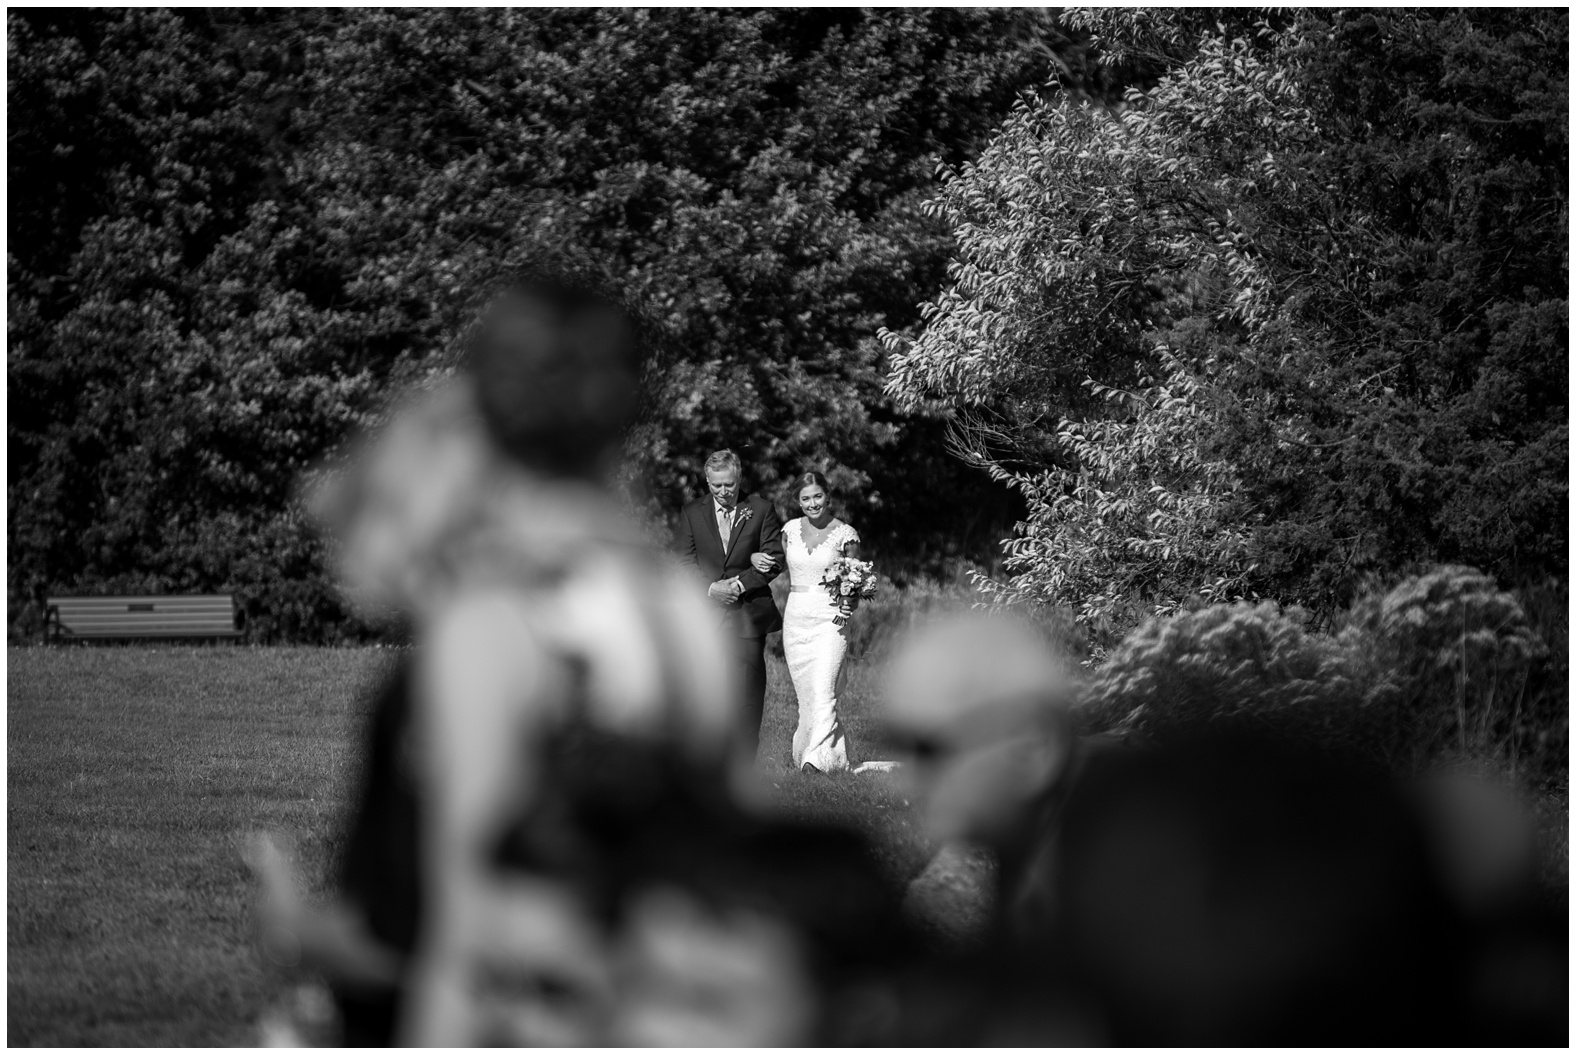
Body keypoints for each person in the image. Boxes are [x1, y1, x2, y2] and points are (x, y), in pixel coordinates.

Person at [673, 449, 785, 760]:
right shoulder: (692, 513)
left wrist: (737, 585)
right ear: (706, 481)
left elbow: (775, 560)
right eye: (717, 485)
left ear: (739, 479)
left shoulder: (760, 509)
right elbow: (682, 563)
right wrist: (711, 589)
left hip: (748, 615)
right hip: (704, 617)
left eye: (730, 485)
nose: (724, 492)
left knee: (747, 692)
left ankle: (744, 762)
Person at [773, 471, 873, 773]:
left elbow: (856, 578)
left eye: (817, 496)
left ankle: (815, 762)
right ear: (797, 501)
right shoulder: (789, 529)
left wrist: (850, 601)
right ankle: (826, 757)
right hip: (796, 618)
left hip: (831, 619)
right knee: (806, 696)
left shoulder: (846, 534)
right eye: (805, 498)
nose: (812, 503)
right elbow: (777, 563)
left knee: (823, 689)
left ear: (828, 496)